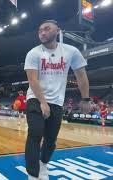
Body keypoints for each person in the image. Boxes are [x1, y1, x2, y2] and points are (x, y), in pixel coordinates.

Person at [24, 20, 91, 179]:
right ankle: (33, 174)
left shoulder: (71, 51)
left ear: (58, 30)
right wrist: (43, 102)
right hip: (35, 98)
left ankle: (43, 163)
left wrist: (86, 99)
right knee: (35, 133)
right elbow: (33, 81)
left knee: (51, 140)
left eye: (47, 29)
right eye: (40, 30)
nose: (43, 32)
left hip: (57, 102)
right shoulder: (33, 53)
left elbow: (81, 75)